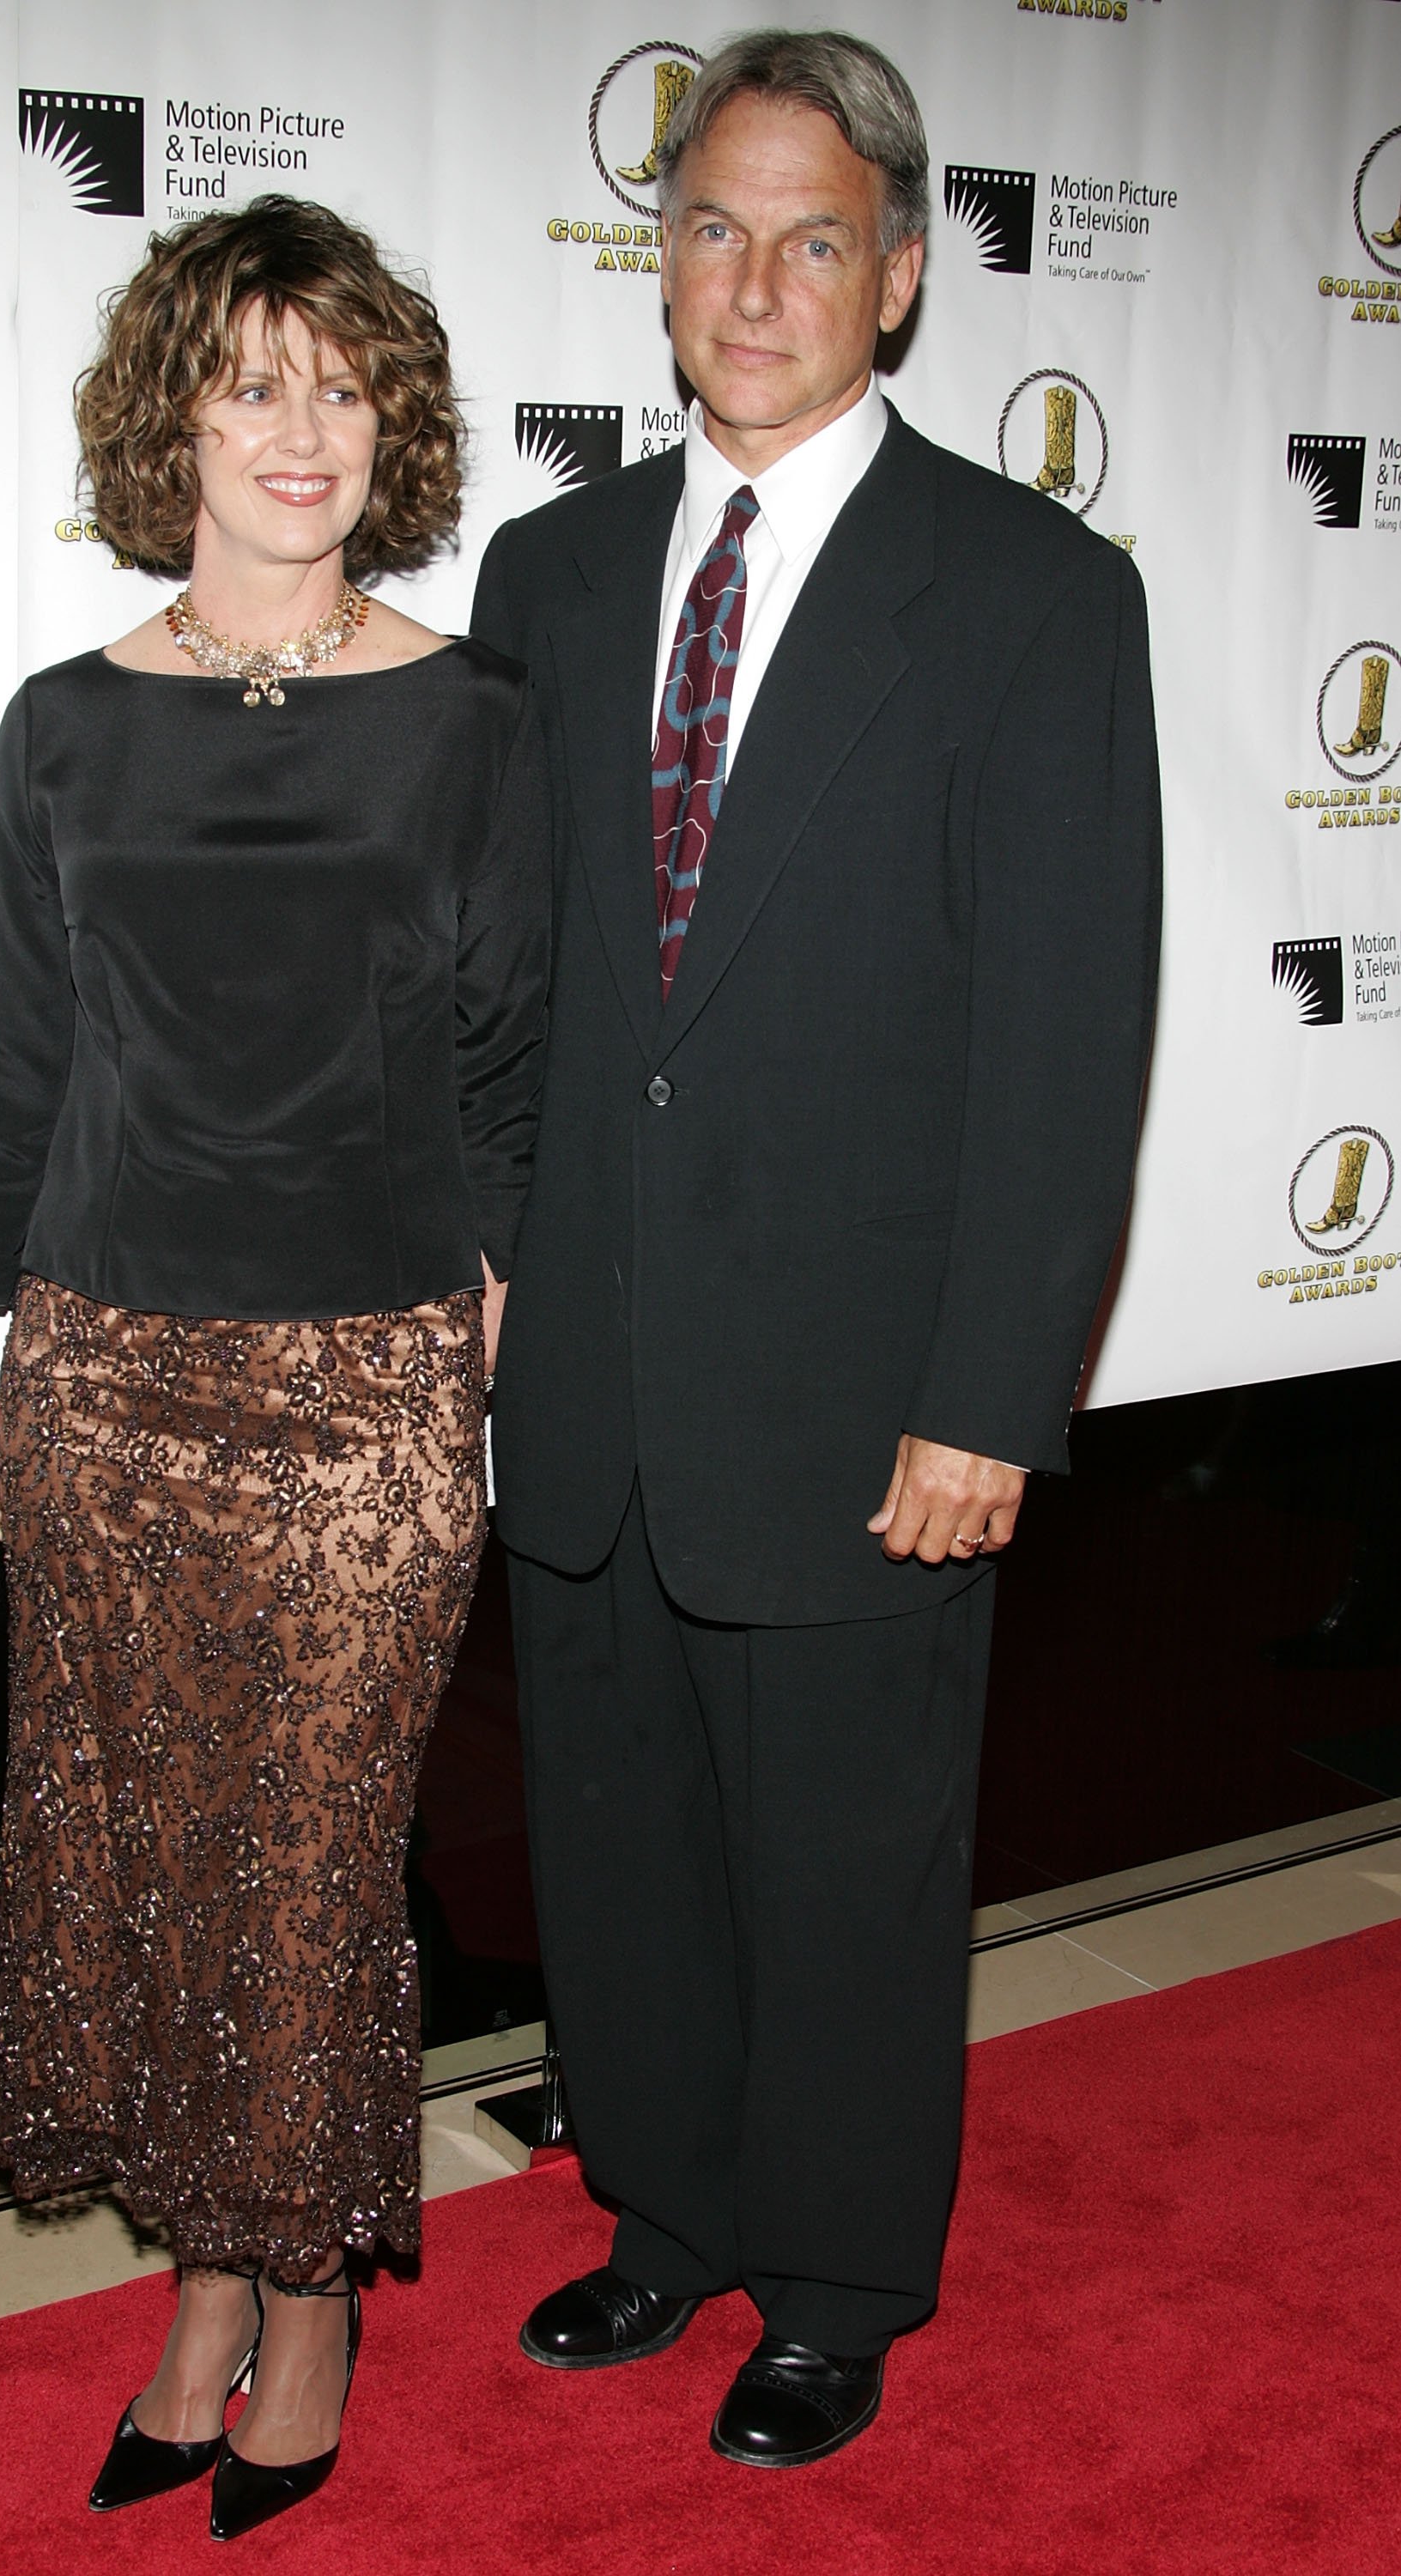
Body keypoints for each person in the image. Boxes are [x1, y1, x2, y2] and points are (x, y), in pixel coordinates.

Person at [472, 29, 1160, 2470]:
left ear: (892, 279)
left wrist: (991, 1392)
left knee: (851, 1868)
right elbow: (518, 992)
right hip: (584, 1374)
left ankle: (840, 2278)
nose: (750, 284)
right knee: (624, 1839)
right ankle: (663, 2214)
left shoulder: (1031, 594)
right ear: (657, 261)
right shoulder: (545, 578)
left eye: (809, 239)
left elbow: (1068, 1033)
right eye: (706, 229)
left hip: (870, 1386)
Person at [0, 195, 548, 2541]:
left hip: (365, 1404)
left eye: (345, 384)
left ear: (398, 427)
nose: (302, 429)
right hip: (103, 1385)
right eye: (255, 378)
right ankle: (200, 2287)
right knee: (146, 1871)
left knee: (306, 1873)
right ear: (169, 411)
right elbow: (0, 1068)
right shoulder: (64, 730)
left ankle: (316, 2294)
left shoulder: (473, 717)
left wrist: (463, 1369)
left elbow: (508, 1076)